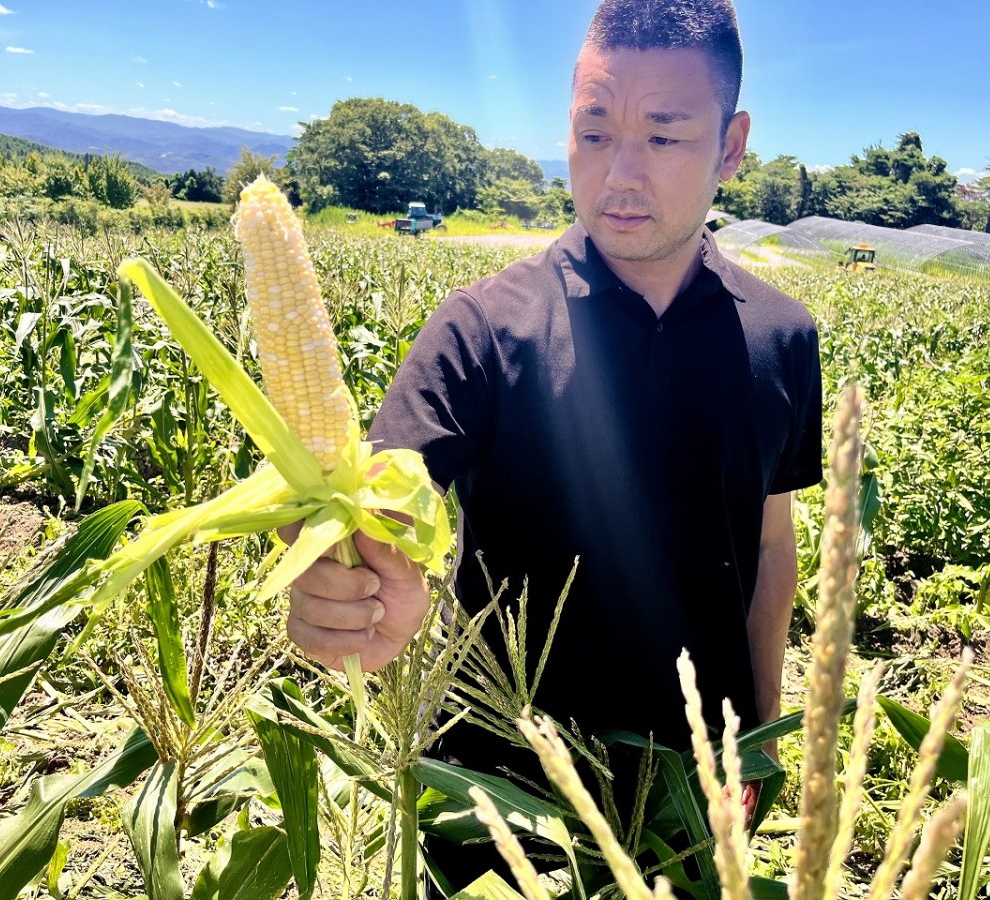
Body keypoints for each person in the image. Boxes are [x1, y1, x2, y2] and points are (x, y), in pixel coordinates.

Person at [287, 0, 822, 893]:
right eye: (593, 130)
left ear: (730, 147)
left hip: (688, 798)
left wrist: (759, 736)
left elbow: (770, 547)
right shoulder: (486, 327)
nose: (619, 175)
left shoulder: (779, 337)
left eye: (662, 138)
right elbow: (381, 495)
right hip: (499, 790)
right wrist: (355, 582)